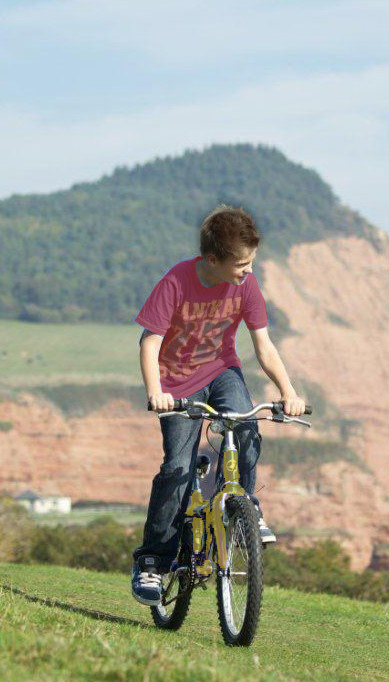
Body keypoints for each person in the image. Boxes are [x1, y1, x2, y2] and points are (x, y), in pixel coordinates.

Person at [130, 205, 306, 605]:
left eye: (251, 262)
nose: (248, 270)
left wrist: (288, 392)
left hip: (222, 371)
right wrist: (156, 391)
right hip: (176, 382)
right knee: (176, 468)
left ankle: (247, 504)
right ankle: (153, 562)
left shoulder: (247, 286)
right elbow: (149, 342)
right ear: (213, 260)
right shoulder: (176, 282)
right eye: (241, 263)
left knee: (246, 426)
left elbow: (263, 345)